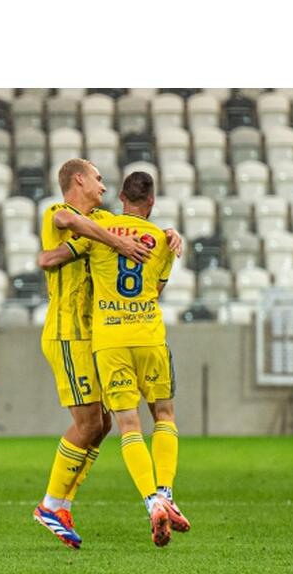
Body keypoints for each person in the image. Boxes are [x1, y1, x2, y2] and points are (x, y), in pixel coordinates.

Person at [32, 158, 183, 550]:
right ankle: (51, 504)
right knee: (88, 424)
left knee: (101, 425)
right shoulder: (58, 211)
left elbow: (115, 227)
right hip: (69, 333)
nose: (103, 185)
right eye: (97, 178)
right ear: (78, 179)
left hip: (97, 334)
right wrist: (117, 241)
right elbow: (54, 247)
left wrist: (165, 232)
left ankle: (63, 504)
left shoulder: (100, 219)